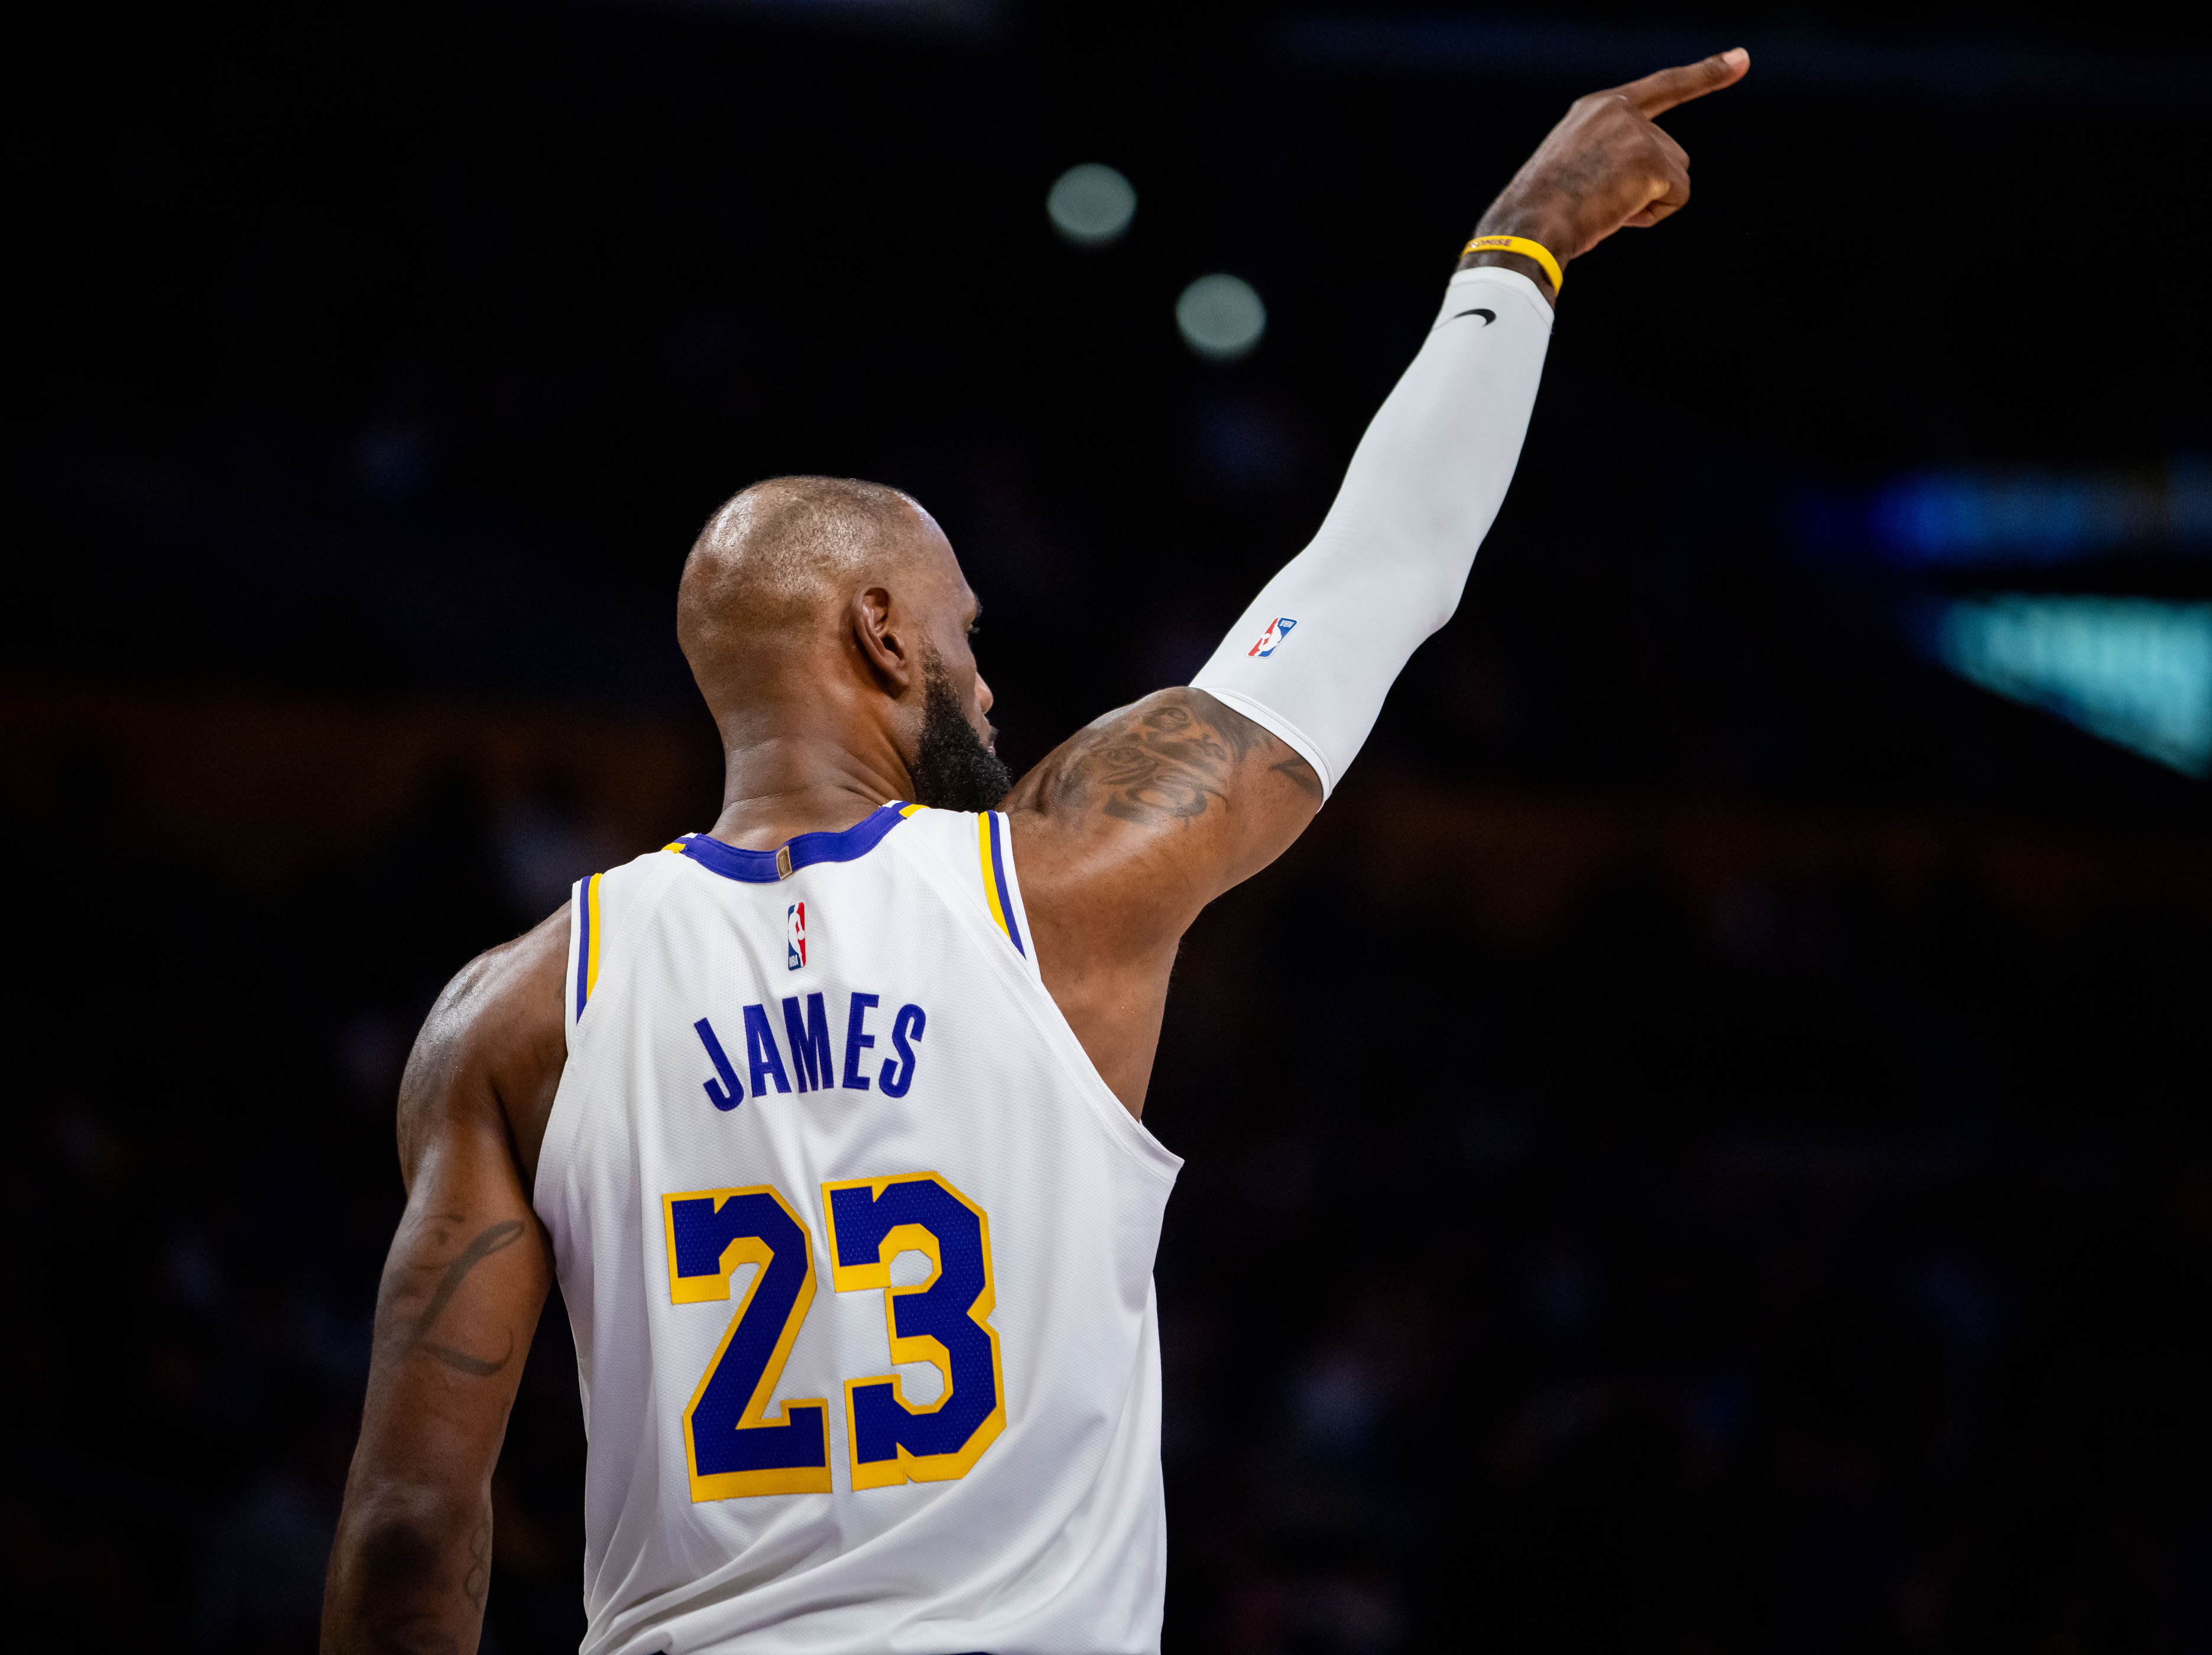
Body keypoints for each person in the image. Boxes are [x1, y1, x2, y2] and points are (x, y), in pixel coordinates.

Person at [320, 46, 1749, 1655]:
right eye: (964, 631)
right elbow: (1378, 571)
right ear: (881, 633)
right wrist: (1520, 248)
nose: (988, 680)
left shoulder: (516, 1014)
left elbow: (409, 1526)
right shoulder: (1056, 887)